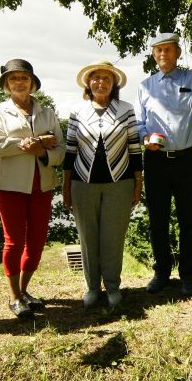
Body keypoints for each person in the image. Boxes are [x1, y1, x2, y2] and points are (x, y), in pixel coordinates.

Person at [134, 13, 192, 296]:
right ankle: (161, 273)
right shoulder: (145, 87)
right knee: (157, 221)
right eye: (158, 50)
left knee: (188, 220)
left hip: (188, 159)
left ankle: (188, 275)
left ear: (178, 52)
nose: (163, 53)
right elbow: (139, 125)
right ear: (154, 55)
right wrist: (145, 138)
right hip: (157, 161)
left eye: (168, 49)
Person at [0, 59, 65, 319]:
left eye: (24, 77)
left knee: (38, 241)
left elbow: (61, 150)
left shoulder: (47, 112)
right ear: (6, 84)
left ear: (32, 82)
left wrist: (42, 151)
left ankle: (24, 289)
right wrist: (38, 141)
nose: (19, 82)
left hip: (42, 185)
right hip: (9, 185)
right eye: (13, 78)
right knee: (14, 241)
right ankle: (14, 297)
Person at [63, 61, 143, 308]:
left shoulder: (126, 110)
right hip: (82, 183)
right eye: (96, 78)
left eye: (106, 78)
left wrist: (138, 184)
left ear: (114, 83)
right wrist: (66, 187)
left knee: (113, 236)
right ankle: (91, 288)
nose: (100, 82)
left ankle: (112, 287)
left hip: (120, 182)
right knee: (88, 237)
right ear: (88, 83)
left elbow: (134, 149)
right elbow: (70, 152)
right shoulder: (77, 112)